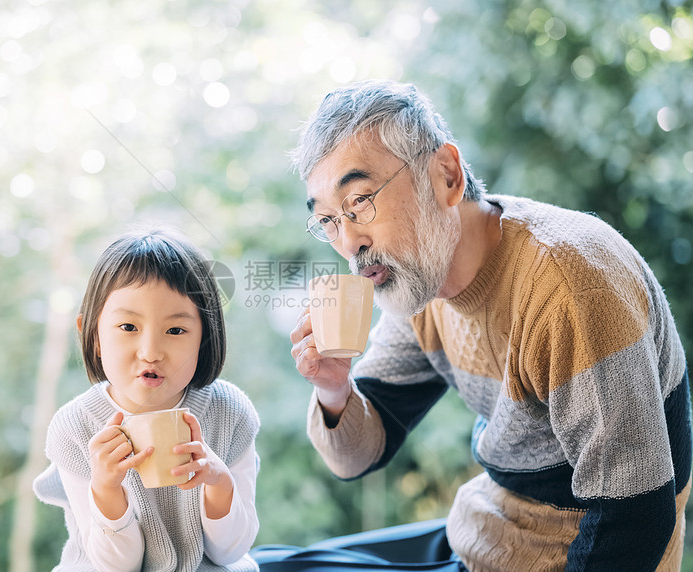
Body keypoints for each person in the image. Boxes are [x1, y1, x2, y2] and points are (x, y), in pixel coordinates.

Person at [288, 79, 690, 571]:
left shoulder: (569, 284)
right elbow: (359, 456)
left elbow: (634, 518)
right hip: (483, 537)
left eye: (360, 201)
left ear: (446, 176)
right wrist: (334, 389)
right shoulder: (421, 283)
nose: (349, 242)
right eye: (328, 219)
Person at [34, 228, 261, 572]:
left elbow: (229, 553)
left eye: (175, 330)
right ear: (92, 335)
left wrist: (219, 482)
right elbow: (116, 567)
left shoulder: (229, 412)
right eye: (128, 327)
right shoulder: (75, 428)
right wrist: (107, 491)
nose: (151, 352)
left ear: (204, 339)